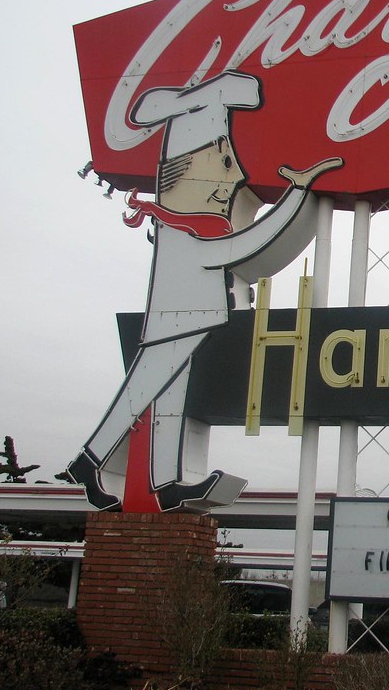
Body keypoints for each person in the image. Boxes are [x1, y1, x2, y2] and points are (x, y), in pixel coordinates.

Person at [68, 70, 343, 512]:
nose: (235, 175)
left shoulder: (191, 223)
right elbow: (245, 245)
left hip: (194, 316)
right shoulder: (182, 226)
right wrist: (296, 192)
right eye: (224, 160)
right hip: (175, 317)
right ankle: (92, 459)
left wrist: (296, 192)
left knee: (168, 399)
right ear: (189, 170)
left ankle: (160, 481)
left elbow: (237, 243)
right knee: (145, 391)